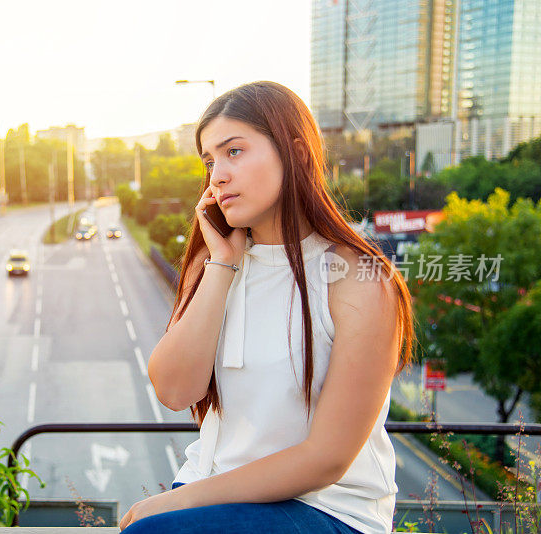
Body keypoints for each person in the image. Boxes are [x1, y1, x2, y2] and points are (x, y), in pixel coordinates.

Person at [118, 81, 414, 534]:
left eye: (234, 151)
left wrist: (175, 503)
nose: (217, 175)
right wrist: (222, 265)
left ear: (295, 153)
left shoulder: (356, 279)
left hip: (327, 508)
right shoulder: (215, 260)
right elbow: (175, 391)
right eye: (209, 160)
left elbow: (325, 459)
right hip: (213, 488)